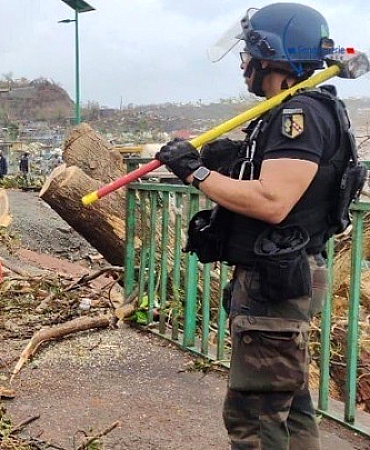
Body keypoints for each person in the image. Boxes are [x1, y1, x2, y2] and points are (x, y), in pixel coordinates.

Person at [156, 4, 364, 449]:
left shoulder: (300, 116)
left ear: (272, 57)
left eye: (248, 52)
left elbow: (273, 201)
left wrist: (197, 174)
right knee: (288, 408)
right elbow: (273, 175)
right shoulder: (297, 110)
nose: (243, 63)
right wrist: (220, 158)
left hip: (277, 282)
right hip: (281, 277)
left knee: (256, 417)